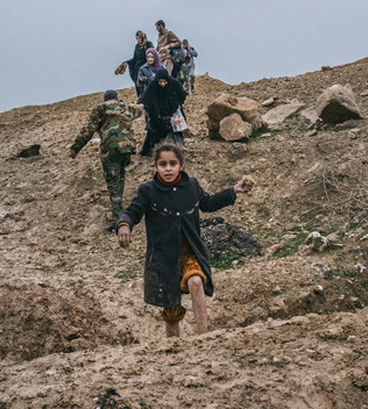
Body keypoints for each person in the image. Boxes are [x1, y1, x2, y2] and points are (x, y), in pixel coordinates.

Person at [116, 142, 254, 337]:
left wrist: (232, 191)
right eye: (163, 164)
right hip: (163, 257)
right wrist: (124, 225)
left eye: (173, 163)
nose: (168, 168)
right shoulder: (148, 191)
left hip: (190, 251)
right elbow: (132, 212)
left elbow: (209, 203)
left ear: (181, 165)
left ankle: (203, 336)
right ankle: (174, 347)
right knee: (171, 307)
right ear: (156, 166)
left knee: (196, 282)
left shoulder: (191, 186)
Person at [69, 90, 143, 231]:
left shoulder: (100, 108)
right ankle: (121, 214)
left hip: (111, 150)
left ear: (105, 99)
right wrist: (142, 105)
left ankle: (118, 223)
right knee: (120, 177)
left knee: (113, 185)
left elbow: (88, 129)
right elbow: (139, 110)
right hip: (127, 149)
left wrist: (75, 148)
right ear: (117, 98)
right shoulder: (125, 107)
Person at [137, 68, 187, 155]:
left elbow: (182, 94)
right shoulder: (153, 85)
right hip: (158, 112)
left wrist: (179, 103)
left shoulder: (174, 83)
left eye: (165, 82)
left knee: (175, 131)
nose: (163, 84)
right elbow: (145, 96)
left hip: (172, 111)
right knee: (152, 130)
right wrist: (141, 103)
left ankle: (179, 148)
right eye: (160, 82)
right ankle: (146, 150)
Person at [115, 31, 154, 97]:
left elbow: (152, 56)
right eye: (137, 39)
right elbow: (135, 58)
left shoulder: (148, 44)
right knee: (138, 87)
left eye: (139, 38)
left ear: (143, 37)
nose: (138, 40)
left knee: (145, 87)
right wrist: (126, 62)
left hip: (145, 70)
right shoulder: (137, 46)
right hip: (137, 70)